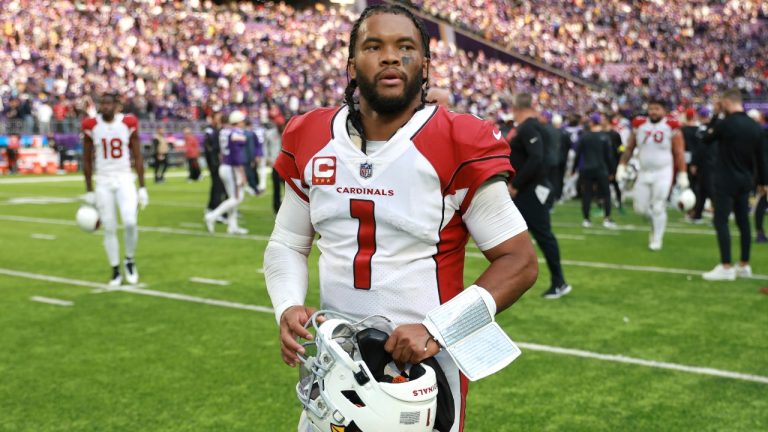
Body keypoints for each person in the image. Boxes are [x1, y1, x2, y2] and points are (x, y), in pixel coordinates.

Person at [263, 5, 537, 431]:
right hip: (339, 361)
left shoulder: (457, 140)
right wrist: (287, 305)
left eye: (404, 47)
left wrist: (436, 329)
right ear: (352, 65)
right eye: (374, 46)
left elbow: (519, 262)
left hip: (423, 370)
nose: (390, 57)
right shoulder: (311, 136)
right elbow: (287, 243)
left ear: (425, 64)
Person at [508, 92, 571, 299]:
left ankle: (559, 281)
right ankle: (515, 280)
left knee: (543, 235)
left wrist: (516, 185)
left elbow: (536, 159)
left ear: (517, 108)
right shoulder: (536, 127)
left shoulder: (528, 127)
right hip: (533, 188)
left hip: (531, 190)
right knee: (516, 236)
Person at [81, 92, 149, 286]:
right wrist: (89, 189)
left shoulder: (128, 122)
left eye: (109, 103)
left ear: (117, 105)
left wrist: (142, 186)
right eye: (102, 103)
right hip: (103, 180)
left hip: (125, 177)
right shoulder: (91, 125)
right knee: (109, 226)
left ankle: (129, 259)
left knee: (130, 221)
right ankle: (115, 269)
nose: (105, 107)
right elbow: (86, 159)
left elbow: (137, 154)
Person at [701, 90, 767, 280]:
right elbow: (761, 158)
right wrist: (764, 182)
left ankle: (726, 266)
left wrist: (715, 116)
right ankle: (744, 265)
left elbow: (706, 139)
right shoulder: (755, 126)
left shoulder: (725, 124)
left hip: (725, 179)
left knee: (720, 220)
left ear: (727, 102)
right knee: (743, 222)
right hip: (746, 180)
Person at [616, 99, 688, 251]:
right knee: (640, 208)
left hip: (663, 171)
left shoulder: (671, 126)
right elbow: (629, 147)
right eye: (651, 108)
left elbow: (678, 151)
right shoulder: (640, 124)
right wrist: (621, 165)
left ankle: (656, 239)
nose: (653, 112)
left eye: (657, 109)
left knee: (658, 206)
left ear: (664, 111)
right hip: (643, 171)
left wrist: (682, 173)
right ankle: (656, 222)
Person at [204, 111, 249, 235]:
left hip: (224, 165)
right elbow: (237, 156)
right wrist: (242, 173)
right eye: (242, 121)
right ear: (238, 122)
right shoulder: (236, 133)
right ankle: (212, 216)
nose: (243, 123)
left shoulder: (224, 131)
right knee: (238, 198)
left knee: (232, 197)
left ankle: (232, 226)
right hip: (232, 168)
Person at [573, 113, 616, 228]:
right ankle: (607, 219)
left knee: (587, 195)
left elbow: (578, 155)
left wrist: (574, 168)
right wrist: (612, 171)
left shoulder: (584, 136)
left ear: (591, 122)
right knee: (606, 194)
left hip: (586, 169)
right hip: (601, 169)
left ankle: (586, 220)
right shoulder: (605, 136)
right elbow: (609, 156)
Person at [688, 106, 716, 224]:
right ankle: (698, 214)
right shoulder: (712, 128)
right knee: (702, 190)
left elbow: (700, 148)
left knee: (709, 190)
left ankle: (717, 216)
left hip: (706, 163)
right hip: (711, 162)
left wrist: (694, 163)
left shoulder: (703, 129)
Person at [203, 112, 228, 218]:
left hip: (217, 162)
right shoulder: (211, 130)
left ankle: (212, 206)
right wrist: (212, 163)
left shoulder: (218, 131)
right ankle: (216, 209)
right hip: (215, 163)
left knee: (218, 187)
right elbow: (209, 148)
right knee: (218, 186)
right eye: (217, 117)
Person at [749, 109, 768, 243]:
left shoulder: (760, 132)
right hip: (764, 174)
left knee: (762, 203)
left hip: (762, 173)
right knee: (762, 202)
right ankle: (760, 232)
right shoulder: (763, 133)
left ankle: (760, 232)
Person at [263, 114, 286, 214]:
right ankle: (276, 208)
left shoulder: (288, 132)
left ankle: (289, 207)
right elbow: (265, 147)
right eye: (279, 125)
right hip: (275, 163)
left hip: (286, 165)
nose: (280, 127)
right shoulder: (270, 134)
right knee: (276, 187)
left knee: (289, 188)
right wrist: (267, 158)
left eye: (282, 125)